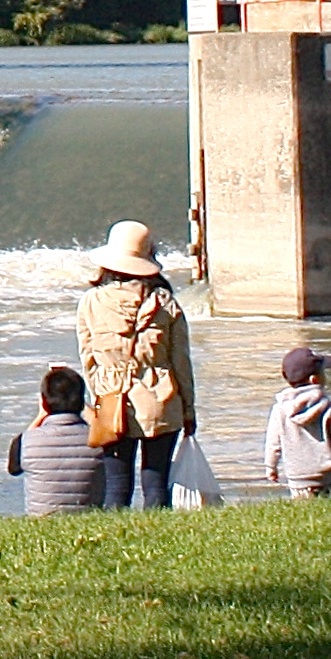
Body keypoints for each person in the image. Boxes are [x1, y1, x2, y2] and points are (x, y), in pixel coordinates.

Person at [78, 218, 197, 510]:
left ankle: (114, 545)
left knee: (116, 487)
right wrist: (188, 409)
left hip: (112, 400)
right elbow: (181, 362)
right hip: (162, 399)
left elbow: (88, 360)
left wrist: (98, 400)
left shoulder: (90, 302)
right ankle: (158, 544)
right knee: (156, 485)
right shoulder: (165, 303)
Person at [264, 344, 331, 499]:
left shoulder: (280, 409)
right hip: (327, 475)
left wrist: (271, 467)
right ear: (314, 379)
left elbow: (273, 443)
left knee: (304, 513)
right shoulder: (326, 406)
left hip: (297, 477)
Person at [8, 365, 101, 516]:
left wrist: (41, 415)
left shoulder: (25, 441)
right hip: (88, 517)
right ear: (81, 402)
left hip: (41, 520)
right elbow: (99, 425)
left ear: (44, 403)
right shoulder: (98, 441)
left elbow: (14, 469)